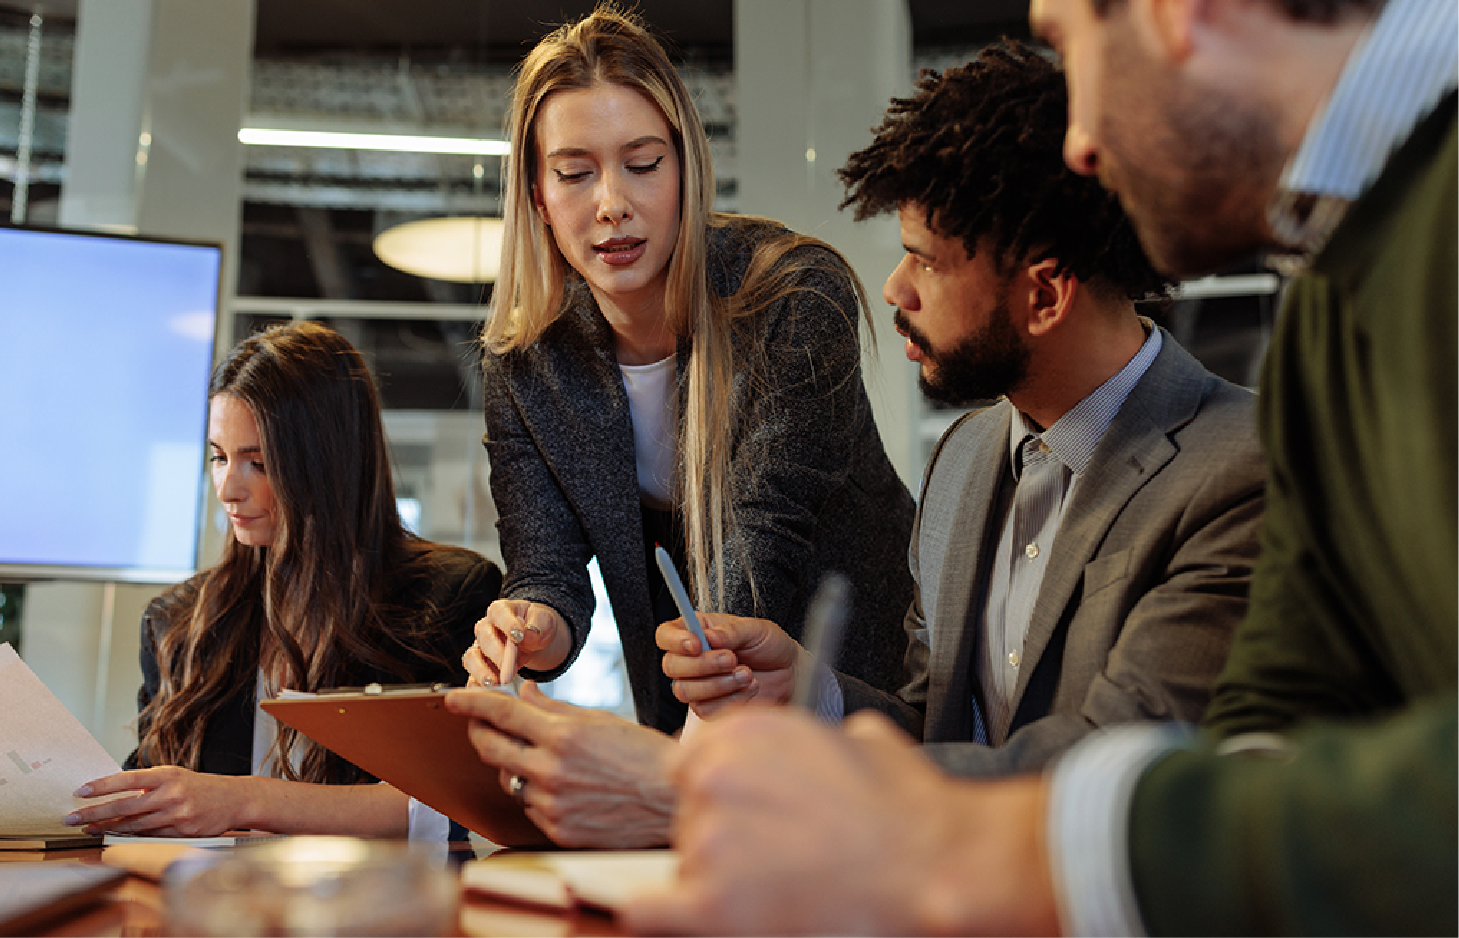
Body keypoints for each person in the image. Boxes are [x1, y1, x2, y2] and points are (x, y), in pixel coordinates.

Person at [625, 0, 1456, 933]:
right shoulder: (1324, 317)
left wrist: (819, 805)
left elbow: (1160, 755)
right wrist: (808, 699)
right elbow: (1260, 739)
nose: (1084, 141)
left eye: (1068, 39)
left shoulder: (1246, 452)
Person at [659, 42, 1263, 777]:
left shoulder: (1243, 470)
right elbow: (935, 725)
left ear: (1043, 296)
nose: (893, 289)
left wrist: (828, 786)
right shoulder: (964, 457)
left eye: (927, 261)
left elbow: (1112, 762)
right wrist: (805, 691)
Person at [447, 3, 915, 847]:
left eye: (642, 164)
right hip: (693, 731)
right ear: (537, 195)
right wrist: (530, 627)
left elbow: (757, 550)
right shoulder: (526, 363)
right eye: (576, 172)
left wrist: (671, 783)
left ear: (686, 170)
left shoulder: (790, 296)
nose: (613, 205)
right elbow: (547, 572)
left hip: (860, 708)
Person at [66, 322, 501, 838]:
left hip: (379, 909)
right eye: (219, 457)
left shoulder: (447, 595)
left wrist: (243, 800)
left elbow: (450, 806)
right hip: (204, 911)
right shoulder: (178, 621)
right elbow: (153, 788)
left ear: (327, 462)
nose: (228, 488)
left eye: (258, 462)